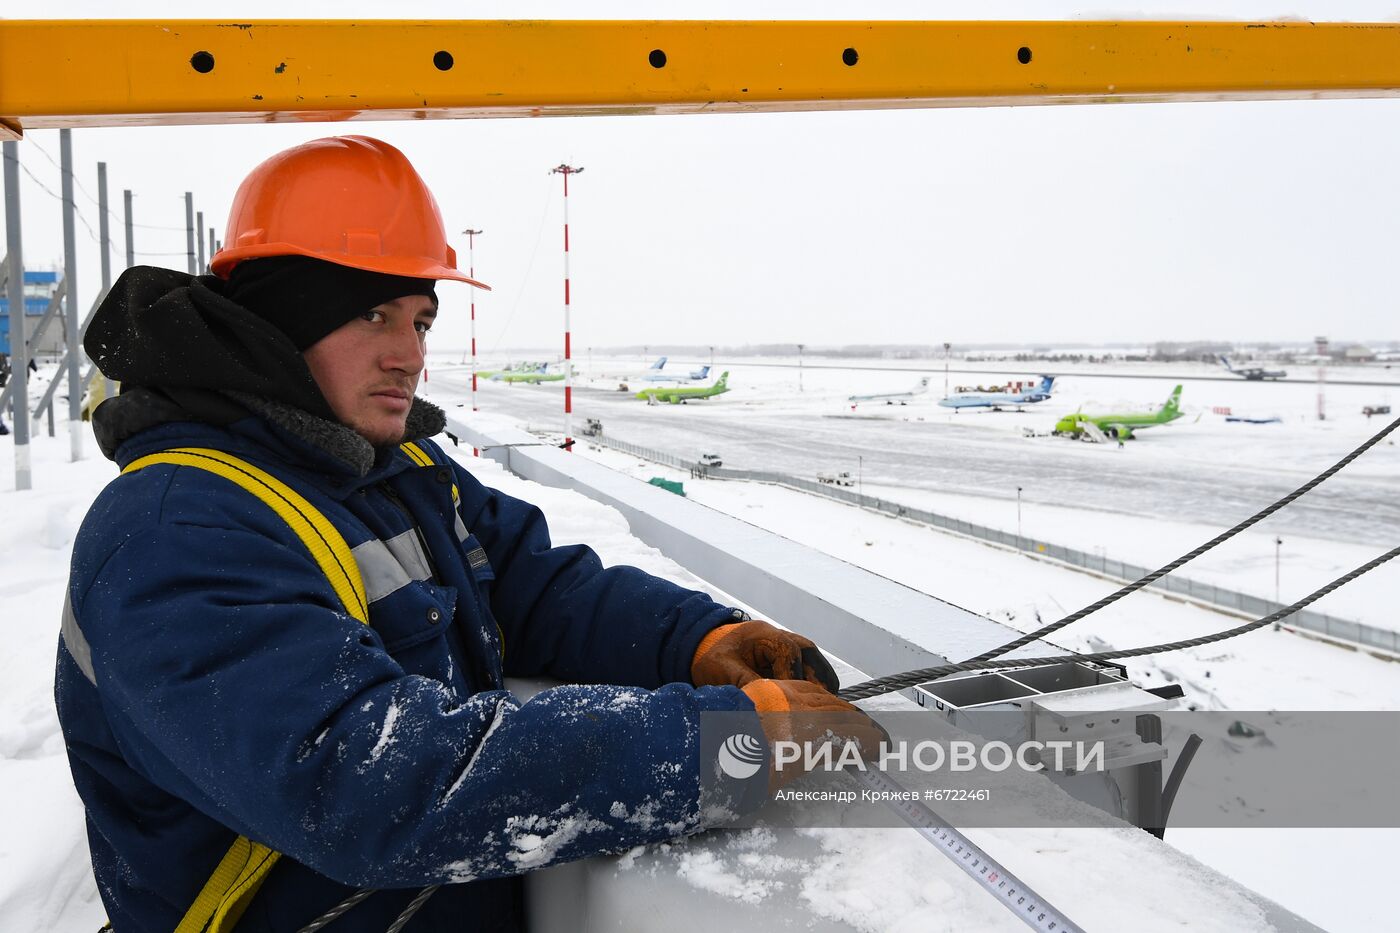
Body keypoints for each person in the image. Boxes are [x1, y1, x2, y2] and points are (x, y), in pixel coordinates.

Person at [55, 136, 874, 932]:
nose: (408, 354)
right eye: (373, 314)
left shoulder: (392, 469)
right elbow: (363, 782)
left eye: (420, 320)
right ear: (277, 323)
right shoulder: (175, 529)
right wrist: (719, 745)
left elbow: (537, 588)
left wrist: (698, 639)